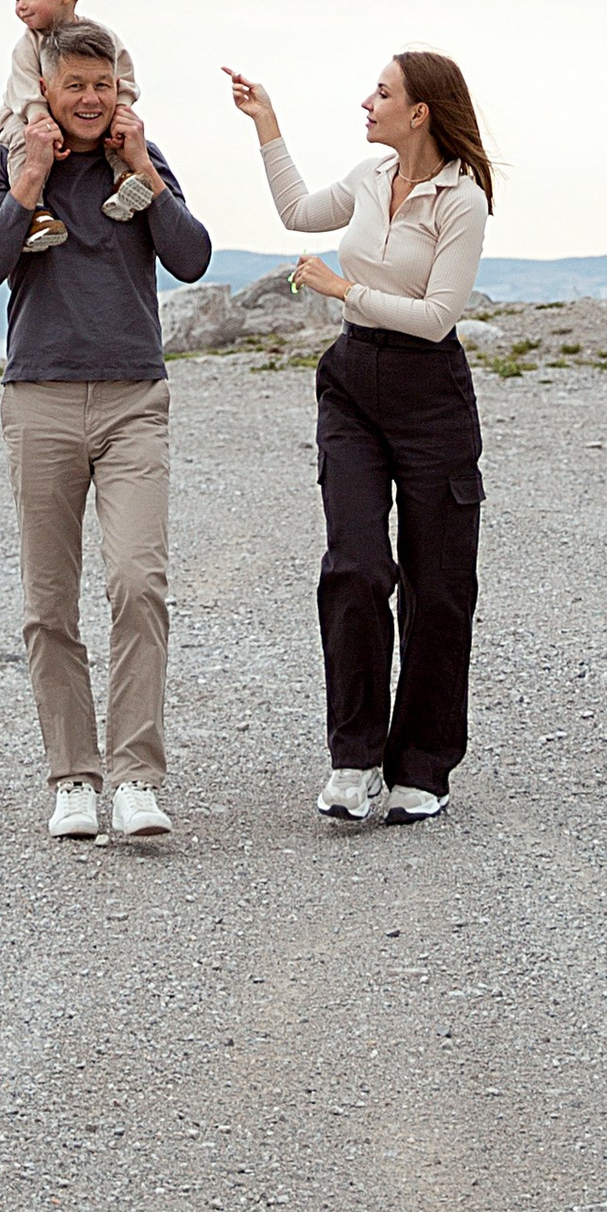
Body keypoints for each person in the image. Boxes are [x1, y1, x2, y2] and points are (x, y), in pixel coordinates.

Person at [221, 51, 493, 828]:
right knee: (356, 564)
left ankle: (423, 766)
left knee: (439, 588)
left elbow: (439, 315)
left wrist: (344, 288)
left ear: (421, 112)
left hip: (430, 391)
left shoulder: (461, 200)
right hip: (352, 383)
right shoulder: (372, 176)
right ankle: (354, 760)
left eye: (382, 91)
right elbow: (300, 212)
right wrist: (266, 123)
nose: (366, 101)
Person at [0, 21, 213, 843]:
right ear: (47, 88)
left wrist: (145, 171)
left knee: (138, 583)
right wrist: (30, 179)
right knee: (48, 604)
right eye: (75, 85)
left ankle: (136, 776)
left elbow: (192, 257)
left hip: (135, 396)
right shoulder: (8, 160)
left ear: (118, 87)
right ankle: (74, 775)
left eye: (102, 84)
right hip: (39, 397)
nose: (91, 98)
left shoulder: (139, 157)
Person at [0, 0, 146, 255]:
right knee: (25, 141)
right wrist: (42, 123)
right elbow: (26, 95)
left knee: (117, 134)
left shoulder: (99, 37)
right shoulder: (27, 45)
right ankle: (35, 213)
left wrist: (122, 108)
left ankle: (124, 181)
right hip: (25, 117)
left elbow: (125, 73)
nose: (20, 5)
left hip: (74, 124)